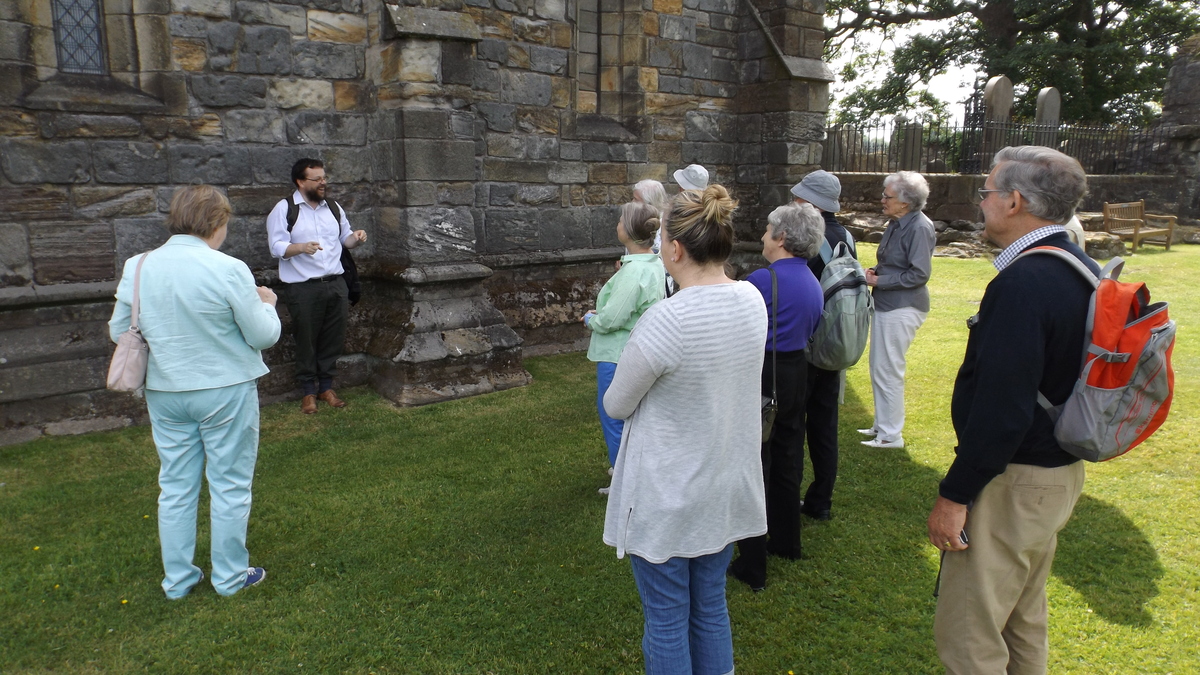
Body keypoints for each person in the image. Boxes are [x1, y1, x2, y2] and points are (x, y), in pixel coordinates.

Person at [928, 146, 1097, 674]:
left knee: (969, 638)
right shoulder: (1077, 266)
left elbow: (1002, 409)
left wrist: (955, 495)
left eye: (986, 193)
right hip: (1055, 473)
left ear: (1015, 201)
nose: (980, 204)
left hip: (1014, 481)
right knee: (1022, 619)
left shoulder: (1025, 282)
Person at [602, 185, 767, 675]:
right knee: (711, 605)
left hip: (669, 493)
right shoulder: (752, 299)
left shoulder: (667, 320)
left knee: (669, 618)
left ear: (675, 250)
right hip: (724, 482)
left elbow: (617, 403)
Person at [109, 185, 281, 599]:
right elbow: (263, 334)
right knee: (230, 484)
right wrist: (269, 303)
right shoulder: (227, 267)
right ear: (217, 222)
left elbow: (120, 331)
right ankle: (229, 577)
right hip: (225, 390)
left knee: (176, 485)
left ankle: (179, 581)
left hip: (165, 391)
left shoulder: (139, 264)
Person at [729, 202, 824, 591]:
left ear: (781, 237)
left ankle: (752, 562)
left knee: (754, 463)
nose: (764, 236)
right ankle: (787, 541)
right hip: (796, 372)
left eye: (768, 230)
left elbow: (735, 330)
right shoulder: (812, 281)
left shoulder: (762, 281)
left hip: (762, 374)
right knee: (786, 455)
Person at [265, 158, 367, 414]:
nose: (323, 183)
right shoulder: (284, 209)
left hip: (335, 284)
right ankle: (308, 392)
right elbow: (276, 247)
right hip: (303, 288)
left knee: (333, 338)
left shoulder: (332, 207)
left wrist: (355, 238)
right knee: (306, 340)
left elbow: (344, 240)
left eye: (324, 178)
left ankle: (326, 387)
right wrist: (300, 247)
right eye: (317, 179)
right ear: (300, 182)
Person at [581, 202, 667, 490]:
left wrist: (591, 319)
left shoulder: (633, 272)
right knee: (632, 416)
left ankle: (624, 479)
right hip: (635, 348)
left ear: (629, 231)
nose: (617, 224)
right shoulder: (652, 263)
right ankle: (632, 471)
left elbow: (613, 318)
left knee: (613, 414)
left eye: (620, 220)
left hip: (618, 353)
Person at [790, 170, 857, 520]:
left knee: (795, 423)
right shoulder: (846, 234)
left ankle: (793, 495)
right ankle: (821, 500)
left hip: (811, 341)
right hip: (837, 338)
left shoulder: (813, 237)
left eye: (799, 198)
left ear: (811, 203)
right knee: (824, 424)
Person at [860, 171, 936, 449]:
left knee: (889, 368)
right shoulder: (897, 222)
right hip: (887, 303)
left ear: (905, 202)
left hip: (903, 307)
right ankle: (881, 425)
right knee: (879, 366)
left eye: (887, 196)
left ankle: (891, 434)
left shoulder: (919, 227)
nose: (882, 200)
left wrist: (880, 280)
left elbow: (919, 274)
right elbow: (893, 262)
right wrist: (876, 272)